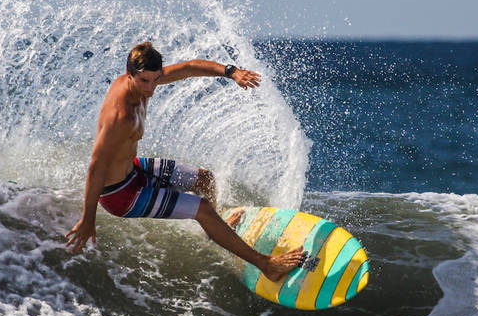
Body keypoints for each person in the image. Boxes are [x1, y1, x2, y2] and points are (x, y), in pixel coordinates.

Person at [64, 41, 305, 281]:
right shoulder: (121, 116)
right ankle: (266, 265)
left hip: (134, 170)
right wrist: (88, 219)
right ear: (130, 75)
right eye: (144, 81)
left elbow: (189, 67)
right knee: (202, 208)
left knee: (205, 179)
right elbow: (96, 167)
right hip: (122, 195)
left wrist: (232, 72)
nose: (150, 88)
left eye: (156, 79)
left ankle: (217, 230)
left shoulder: (146, 80)